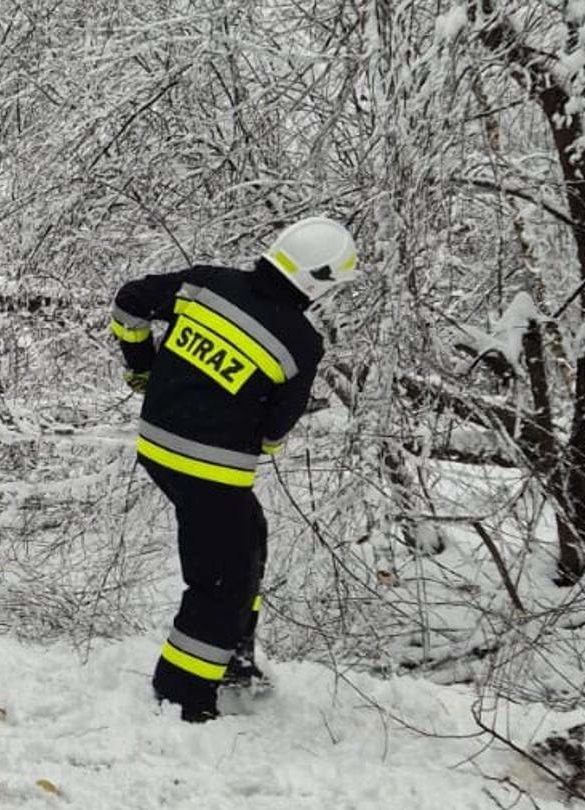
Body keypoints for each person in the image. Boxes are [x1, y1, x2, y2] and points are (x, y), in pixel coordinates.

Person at [108, 217, 358, 723]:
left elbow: (129, 302)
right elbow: (273, 433)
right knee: (222, 584)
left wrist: (141, 368)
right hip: (213, 472)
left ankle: (233, 659)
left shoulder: (206, 283)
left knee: (250, 536)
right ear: (317, 281)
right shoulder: (301, 345)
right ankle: (183, 695)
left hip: (157, 447)